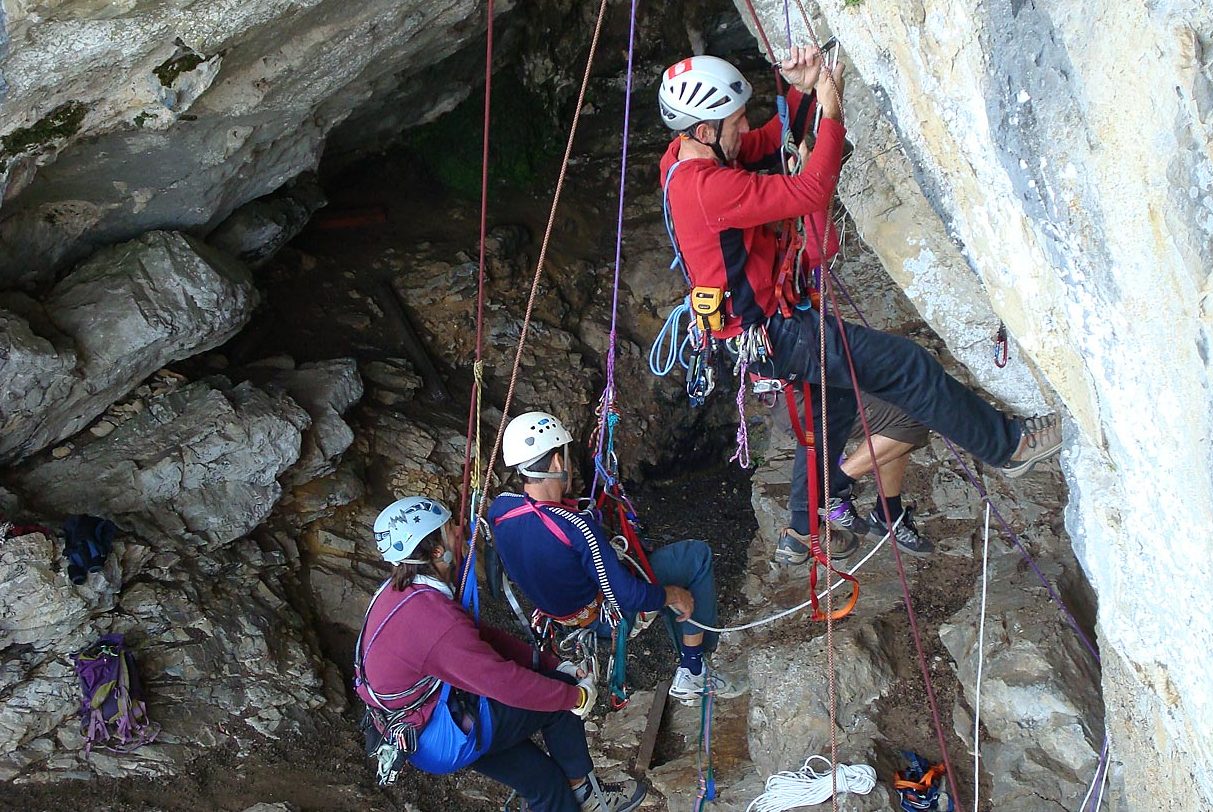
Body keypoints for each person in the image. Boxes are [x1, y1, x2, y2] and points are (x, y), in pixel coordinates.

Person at [655, 49, 1062, 567]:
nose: (744, 128)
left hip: (761, 331)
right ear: (706, 130)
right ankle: (1009, 447)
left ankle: (802, 529)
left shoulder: (684, 158)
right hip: (777, 334)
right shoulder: (709, 189)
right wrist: (832, 109)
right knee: (909, 366)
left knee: (833, 411)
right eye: (735, 122)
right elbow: (810, 190)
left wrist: (802, 89)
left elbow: (771, 141)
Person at [357, 496, 646, 812]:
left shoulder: (400, 592)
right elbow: (503, 682)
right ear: (437, 551)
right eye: (449, 527)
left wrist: (547, 662)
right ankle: (586, 794)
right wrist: (574, 697)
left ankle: (572, 797)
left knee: (544, 781)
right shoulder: (432, 620)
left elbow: (478, 637)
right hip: (443, 736)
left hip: (418, 727)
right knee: (557, 698)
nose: (459, 529)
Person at [488, 411, 746, 705]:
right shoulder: (575, 527)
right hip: (602, 618)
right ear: (558, 463)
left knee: (652, 563)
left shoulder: (500, 510)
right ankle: (694, 671)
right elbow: (628, 596)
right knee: (695, 557)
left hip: (558, 618)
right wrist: (675, 595)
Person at [821, 394, 932, 557]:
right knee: (911, 416)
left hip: (821, 397)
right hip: (813, 401)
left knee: (899, 417)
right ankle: (833, 487)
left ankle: (888, 514)